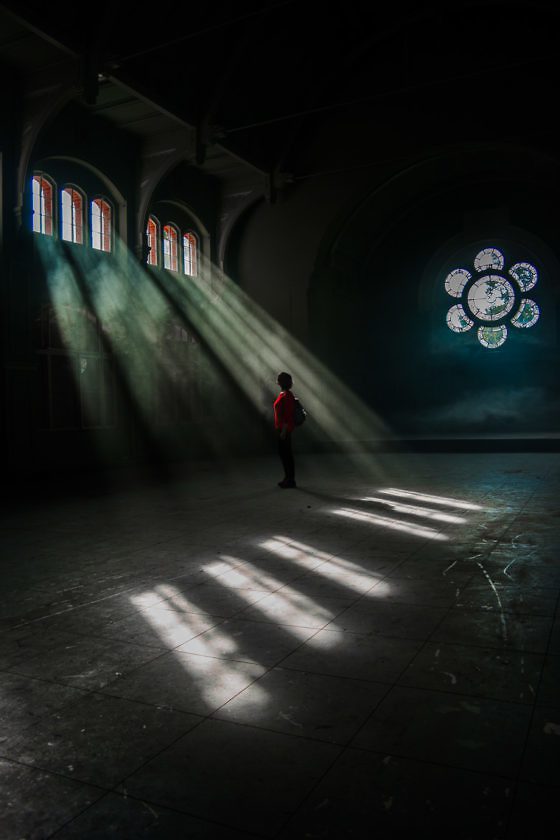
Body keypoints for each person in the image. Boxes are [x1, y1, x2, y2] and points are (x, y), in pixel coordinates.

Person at [273, 371, 297, 488]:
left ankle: (290, 480)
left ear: (282, 382)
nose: (276, 380)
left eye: (279, 379)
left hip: (284, 429)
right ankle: (288, 478)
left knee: (286, 454)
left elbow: (288, 415)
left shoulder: (287, 395)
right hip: (282, 428)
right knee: (284, 454)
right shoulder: (283, 394)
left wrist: (283, 431)